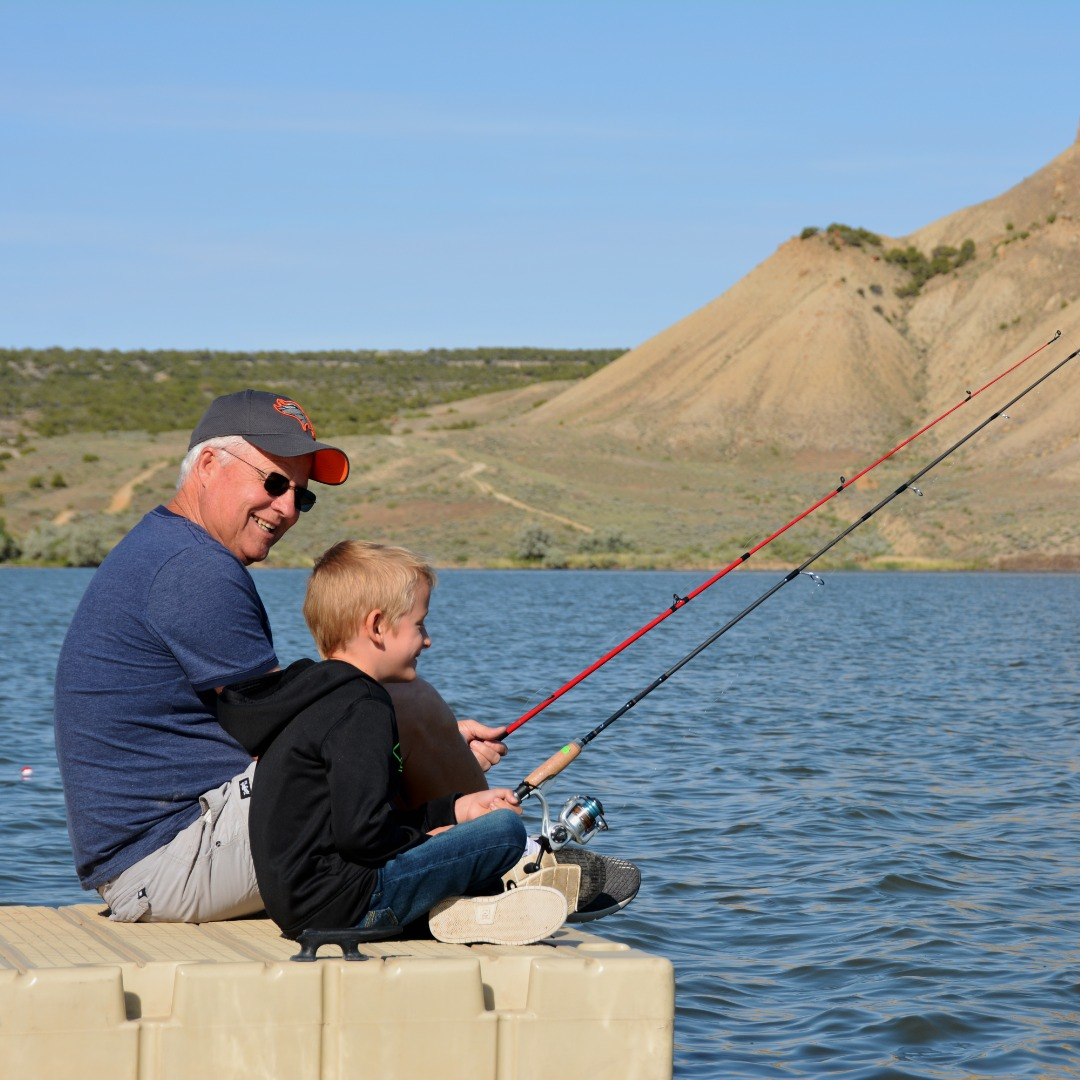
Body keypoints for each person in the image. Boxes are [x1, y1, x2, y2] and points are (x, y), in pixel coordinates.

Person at [53, 389, 506, 923]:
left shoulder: (168, 549)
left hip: (159, 855)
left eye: (302, 495)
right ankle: (498, 872)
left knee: (377, 711)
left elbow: (293, 734)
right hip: (167, 859)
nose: (288, 508)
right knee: (401, 699)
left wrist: (428, 753)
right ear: (207, 464)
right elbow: (288, 733)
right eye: (273, 483)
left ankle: (465, 861)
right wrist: (420, 745)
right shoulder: (194, 570)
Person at [216, 540, 586, 944]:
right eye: (420, 625)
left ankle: (459, 907)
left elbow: (361, 822)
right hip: (350, 906)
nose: (427, 641)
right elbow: (364, 836)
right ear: (377, 626)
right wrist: (431, 839)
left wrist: (455, 808)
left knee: (476, 827)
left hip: (302, 907)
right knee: (506, 832)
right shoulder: (364, 707)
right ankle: (468, 905)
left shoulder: (316, 695)